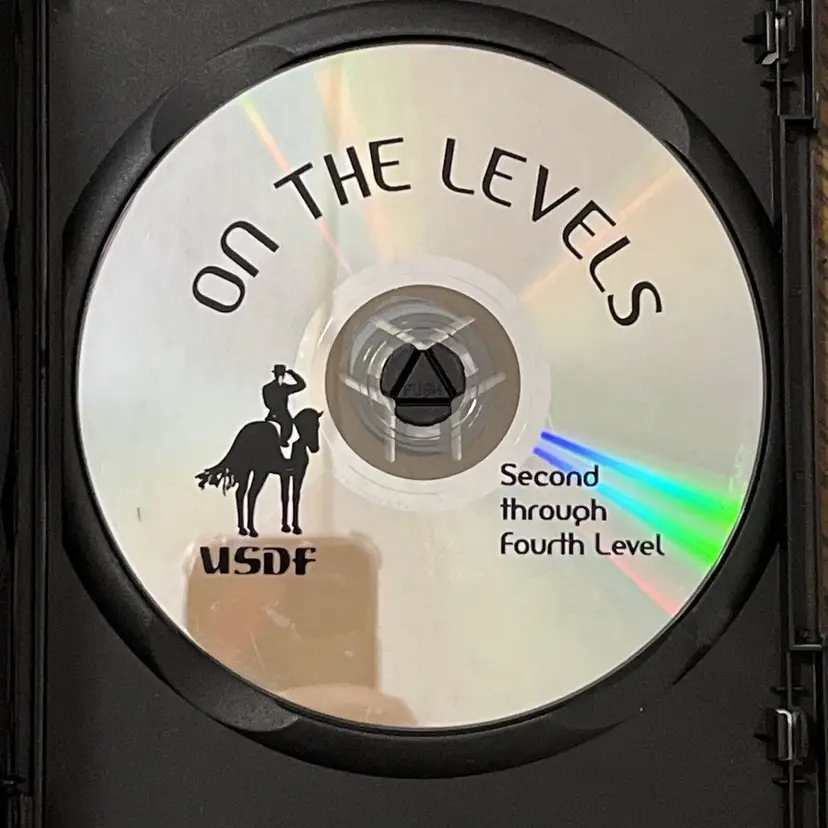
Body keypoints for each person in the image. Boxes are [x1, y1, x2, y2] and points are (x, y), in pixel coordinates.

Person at [262, 364, 306, 446]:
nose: (281, 376)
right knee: (287, 424)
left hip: (281, 412)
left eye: (282, 374)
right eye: (279, 374)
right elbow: (268, 403)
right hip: (277, 413)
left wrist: (293, 374)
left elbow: (301, 385)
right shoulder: (268, 388)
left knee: (289, 425)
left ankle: (283, 440)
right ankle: (282, 440)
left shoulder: (283, 387)